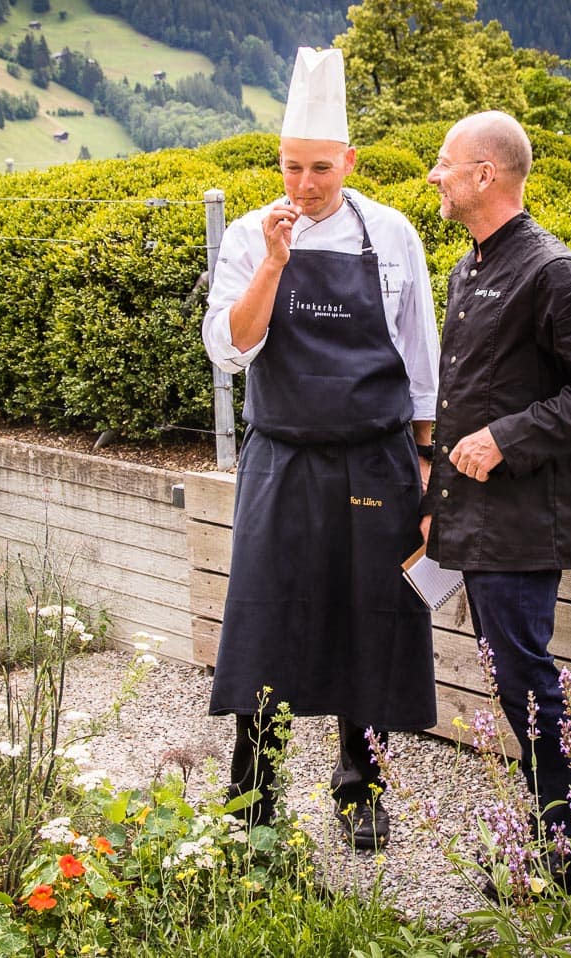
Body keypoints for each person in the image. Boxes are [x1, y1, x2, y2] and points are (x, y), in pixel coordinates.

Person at [202, 47, 440, 850]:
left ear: (349, 160)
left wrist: (428, 463)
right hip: (282, 457)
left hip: (376, 459)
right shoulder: (246, 235)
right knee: (265, 619)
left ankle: (359, 787)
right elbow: (230, 348)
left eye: (320, 170)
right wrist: (274, 262)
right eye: (291, 168)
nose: (304, 186)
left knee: (369, 618)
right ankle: (253, 792)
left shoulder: (394, 234)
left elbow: (421, 356)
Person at [422, 110, 571, 889]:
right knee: (515, 679)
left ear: (486, 174)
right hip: (472, 515)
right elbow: (464, 394)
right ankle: (563, 841)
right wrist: (434, 494)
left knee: (526, 678)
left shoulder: (552, 270)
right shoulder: (470, 267)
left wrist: (508, 436)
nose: (434, 176)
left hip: (522, 521)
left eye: (446, 163)